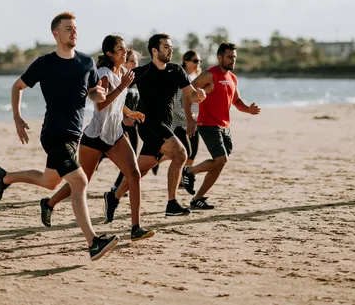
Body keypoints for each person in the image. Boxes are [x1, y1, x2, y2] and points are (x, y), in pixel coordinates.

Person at [0, 12, 119, 261]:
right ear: (56, 34)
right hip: (53, 133)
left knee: (50, 182)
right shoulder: (45, 63)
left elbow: (93, 92)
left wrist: (99, 95)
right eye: (68, 28)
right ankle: (93, 242)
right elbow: (17, 86)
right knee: (80, 182)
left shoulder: (86, 62)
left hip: (74, 134)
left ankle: (4, 177)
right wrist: (17, 118)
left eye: (75, 28)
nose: (73, 32)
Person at [39, 36, 156, 241]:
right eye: (119, 49)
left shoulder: (122, 73)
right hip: (94, 137)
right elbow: (101, 105)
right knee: (82, 181)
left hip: (115, 135)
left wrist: (129, 113)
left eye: (124, 48)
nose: (124, 51)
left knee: (134, 174)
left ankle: (135, 228)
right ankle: (49, 203)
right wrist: (123, 87)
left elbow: (116, 103)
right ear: (110, 54)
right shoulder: (103, 74)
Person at [104, 33, 207, 220]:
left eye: (171, 47)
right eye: (166, 47)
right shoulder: (141, 72)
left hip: (165, 124)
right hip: (149, 124)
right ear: (154, 50)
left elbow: (190, 95)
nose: (171, 50)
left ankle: (113, 196)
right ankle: (172, 203)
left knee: (141, 170)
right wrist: (125, 114)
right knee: (181, 153)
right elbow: (116, 93)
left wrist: (198, 96)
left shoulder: (176, 71)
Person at [181, 42, 261, 210]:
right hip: (208, 124)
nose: (233, 60)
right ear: (220, 57)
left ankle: (197, 199)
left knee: (220, 163)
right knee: (221, 159)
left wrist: (249, 110)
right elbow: (187, 93)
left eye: (235, 58)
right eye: (229, 57)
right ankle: (189, 171)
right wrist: (189, 119)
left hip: (224, 126)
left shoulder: (232, 78)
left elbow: (236, 101)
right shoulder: (209, 75)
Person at [110, 49, 142, 192]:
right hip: (117, 124)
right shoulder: (120, 79)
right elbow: (112, 100)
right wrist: (124, 117)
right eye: (132, 61)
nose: (135, 64)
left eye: (136, 61)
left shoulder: (137, 80)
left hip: (132, 126)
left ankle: (118, 185)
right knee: (99, 156)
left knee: (131, 157)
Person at [171, 50, 203, 191]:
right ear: (186, 61)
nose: (198, 64)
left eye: (199, 61)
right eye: (195, 61)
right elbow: (176, 103)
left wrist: (198, 117)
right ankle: (178, 178)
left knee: (193, 152)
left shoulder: (197, 77)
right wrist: (188, 117)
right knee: (186, 151)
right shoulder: (181, 78)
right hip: (178, 123)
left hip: (195, 121)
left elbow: (198, 102)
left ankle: (184, 178)